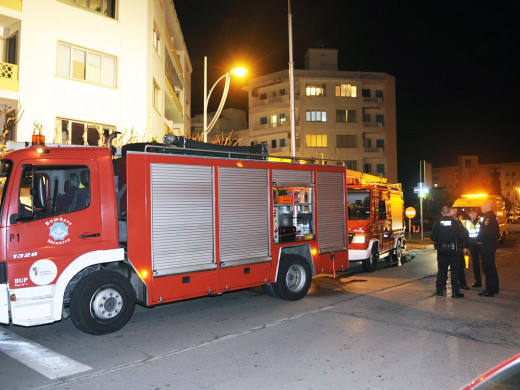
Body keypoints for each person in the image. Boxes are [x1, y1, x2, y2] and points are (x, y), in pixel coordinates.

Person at [430, 206, 469, 298]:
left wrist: (439, 240)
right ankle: (455, 292)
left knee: (441, 271)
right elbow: (462, 236)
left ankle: (439, 290)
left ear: (442, 213)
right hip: (453, 251)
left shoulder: (437, 223)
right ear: (450, 212)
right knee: (454, 272)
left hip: (442, 250)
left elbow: (432, 236)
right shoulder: (455, 223)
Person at [476, 201, 500, 297]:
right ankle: (493, 288)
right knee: (491, 267)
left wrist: (479, 240)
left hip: (488, 245)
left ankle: (491, 290)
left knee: (488, 267)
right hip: (490, 244)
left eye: (483, 206)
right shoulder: (491, 216)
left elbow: (485, 232)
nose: (481, 207)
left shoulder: (489, 217)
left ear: (489, 207)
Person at [450, 208, 471, 290]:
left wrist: (465, 246)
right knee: (448, 268)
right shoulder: (445, 221)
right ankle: (444, 287)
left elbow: (464, 233)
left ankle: (462, 283)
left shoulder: (457, 222)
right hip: (449, 249)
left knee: (460, 266)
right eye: (452, 210)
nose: (454, 211)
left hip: (458, 247)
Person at [465, 208, 483, 287]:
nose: (472, 214)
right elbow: (466, 236)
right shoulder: (467, 223)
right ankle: (478, 282)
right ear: (468, 215)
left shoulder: (481, 220)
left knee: (485, 263)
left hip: (482, 244)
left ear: (476, 213)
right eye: (470, 213)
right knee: (475, 264)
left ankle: (489, 282)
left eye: (474, 212)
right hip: (473, 245)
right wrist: (466, 247)